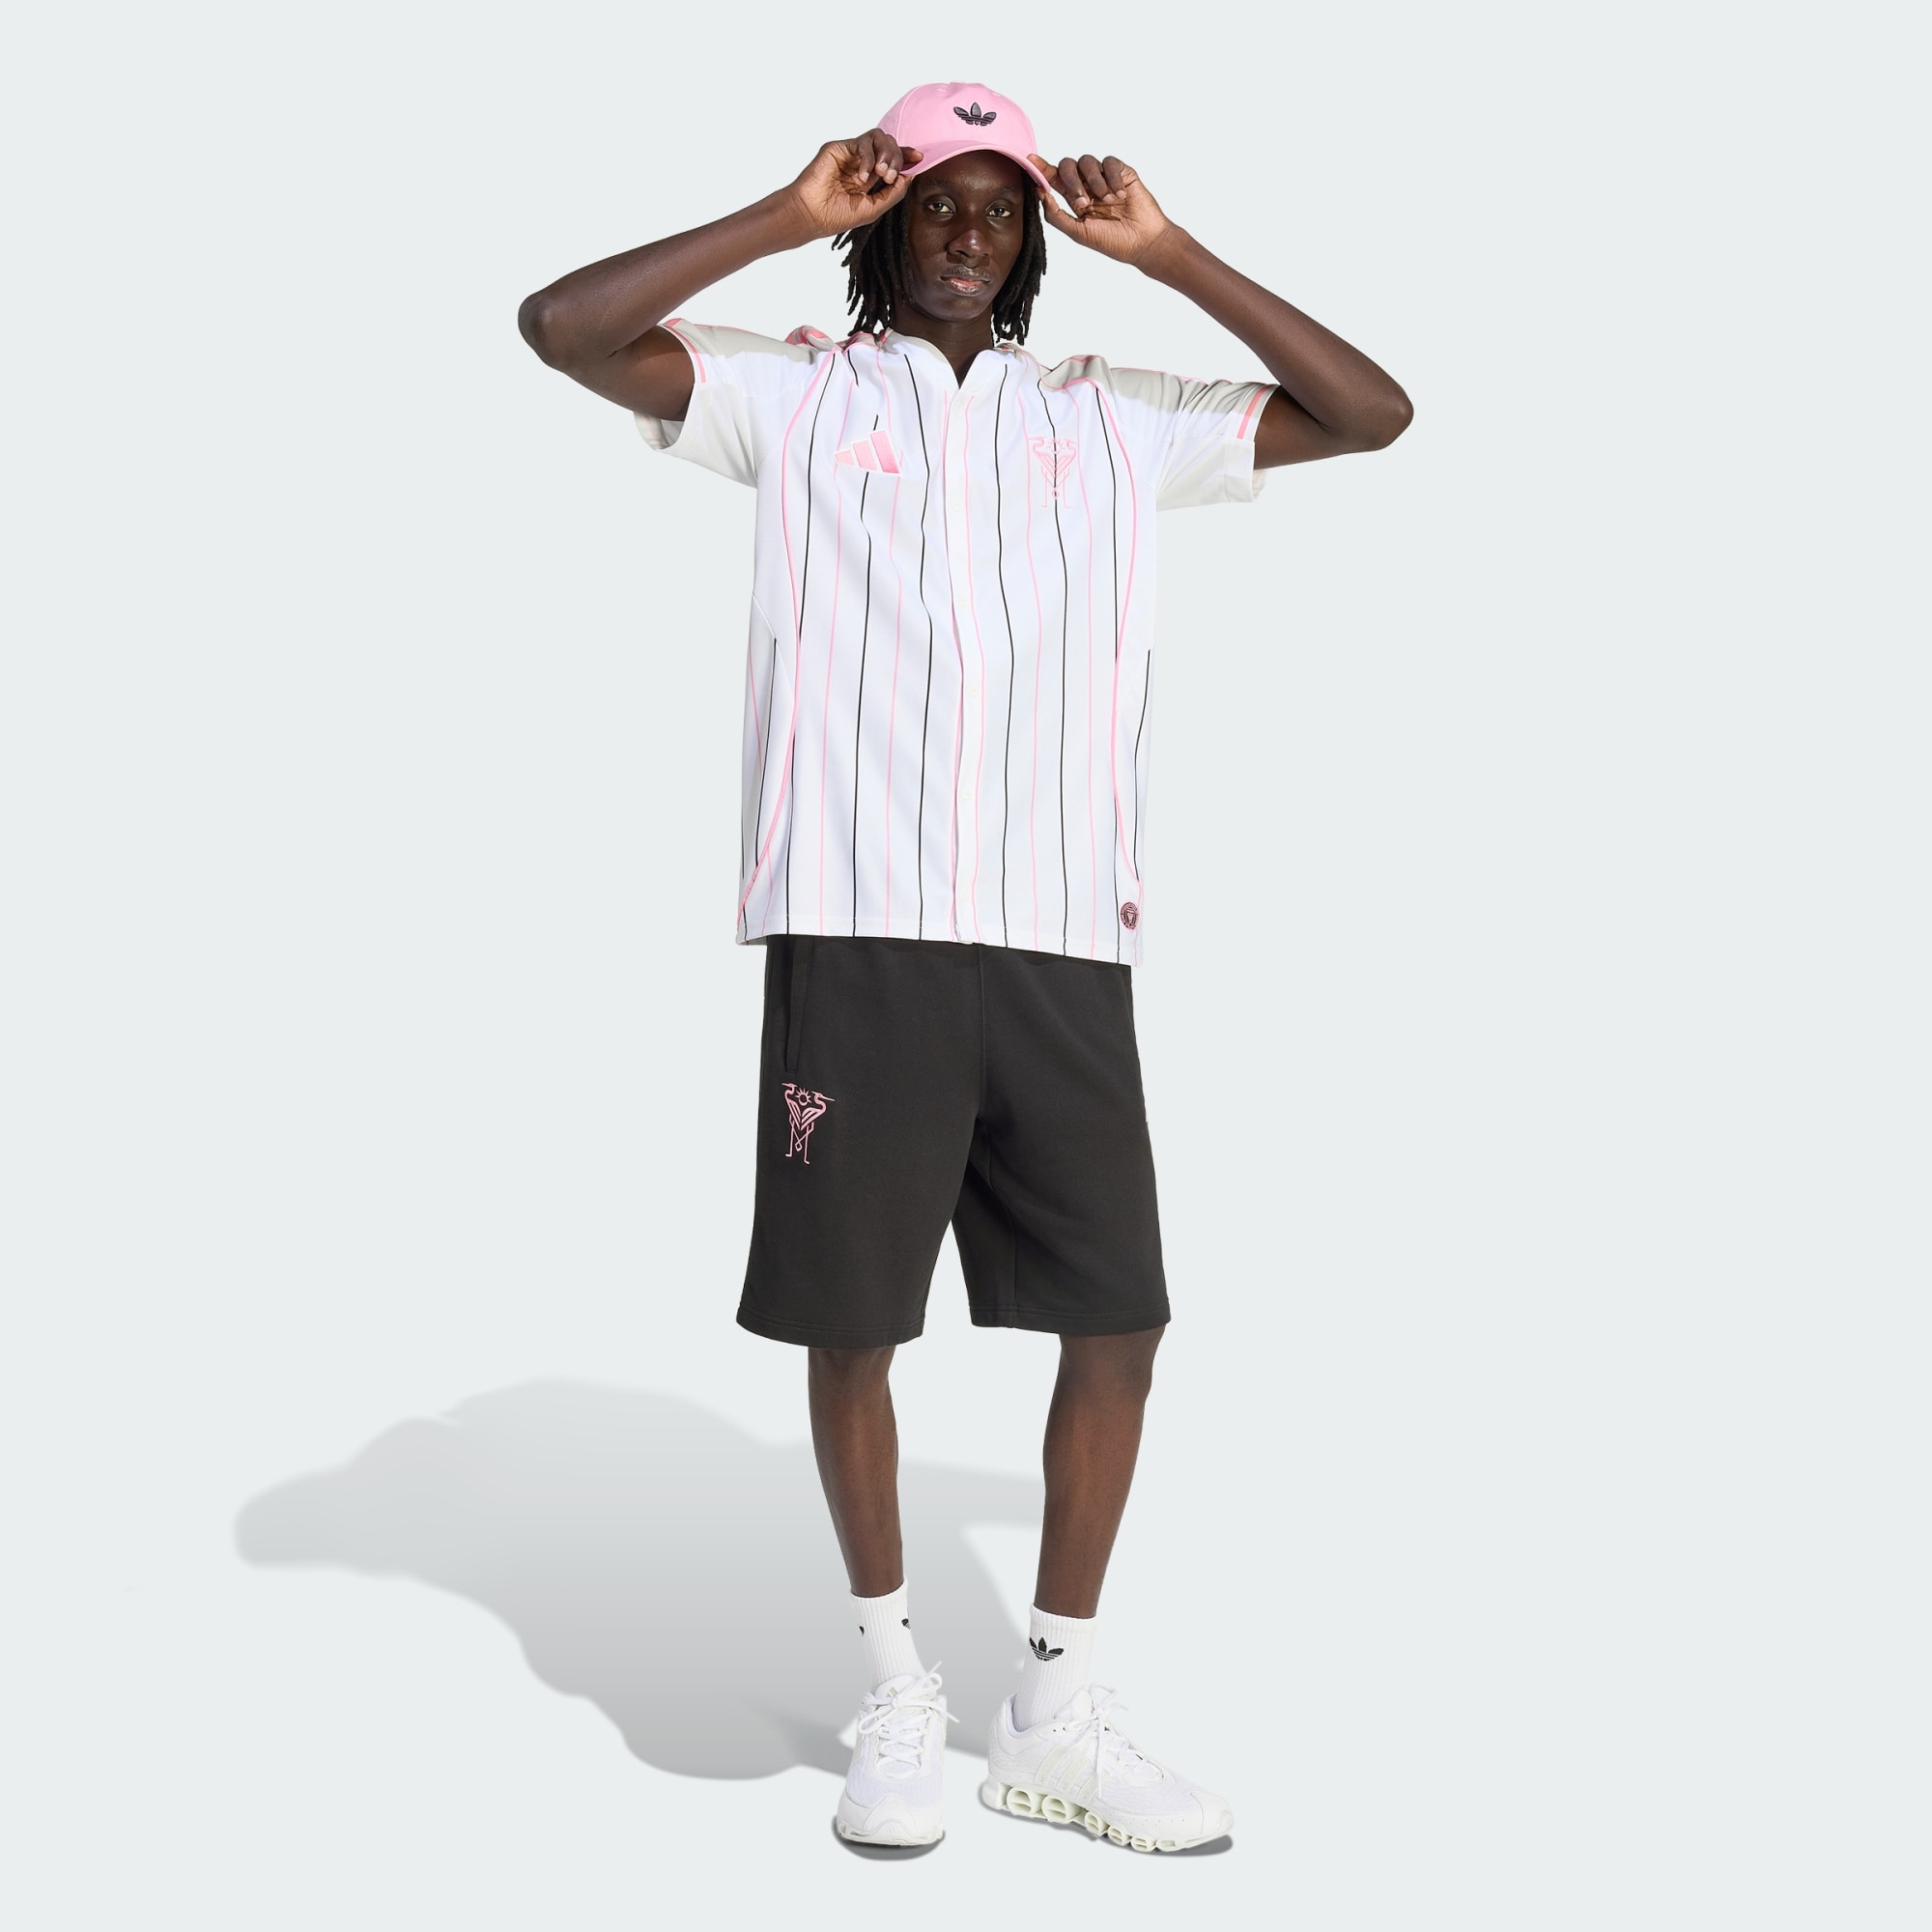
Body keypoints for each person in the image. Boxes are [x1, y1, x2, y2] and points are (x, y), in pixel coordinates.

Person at [518, 79, 1410, 1854]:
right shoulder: (792, 394)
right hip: (859, 926)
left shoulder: (1110, 418)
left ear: (1032, 243)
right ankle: (894, 1689)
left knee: (1120, 1318)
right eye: (937, 199)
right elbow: (563, 327)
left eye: (1002, 208)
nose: (970, 234)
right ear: (884, 216)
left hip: (1062, 933)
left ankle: (1054, 1709)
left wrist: (1171, 253)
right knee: (853, 1321)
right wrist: (781, 215)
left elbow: (1370, 414)